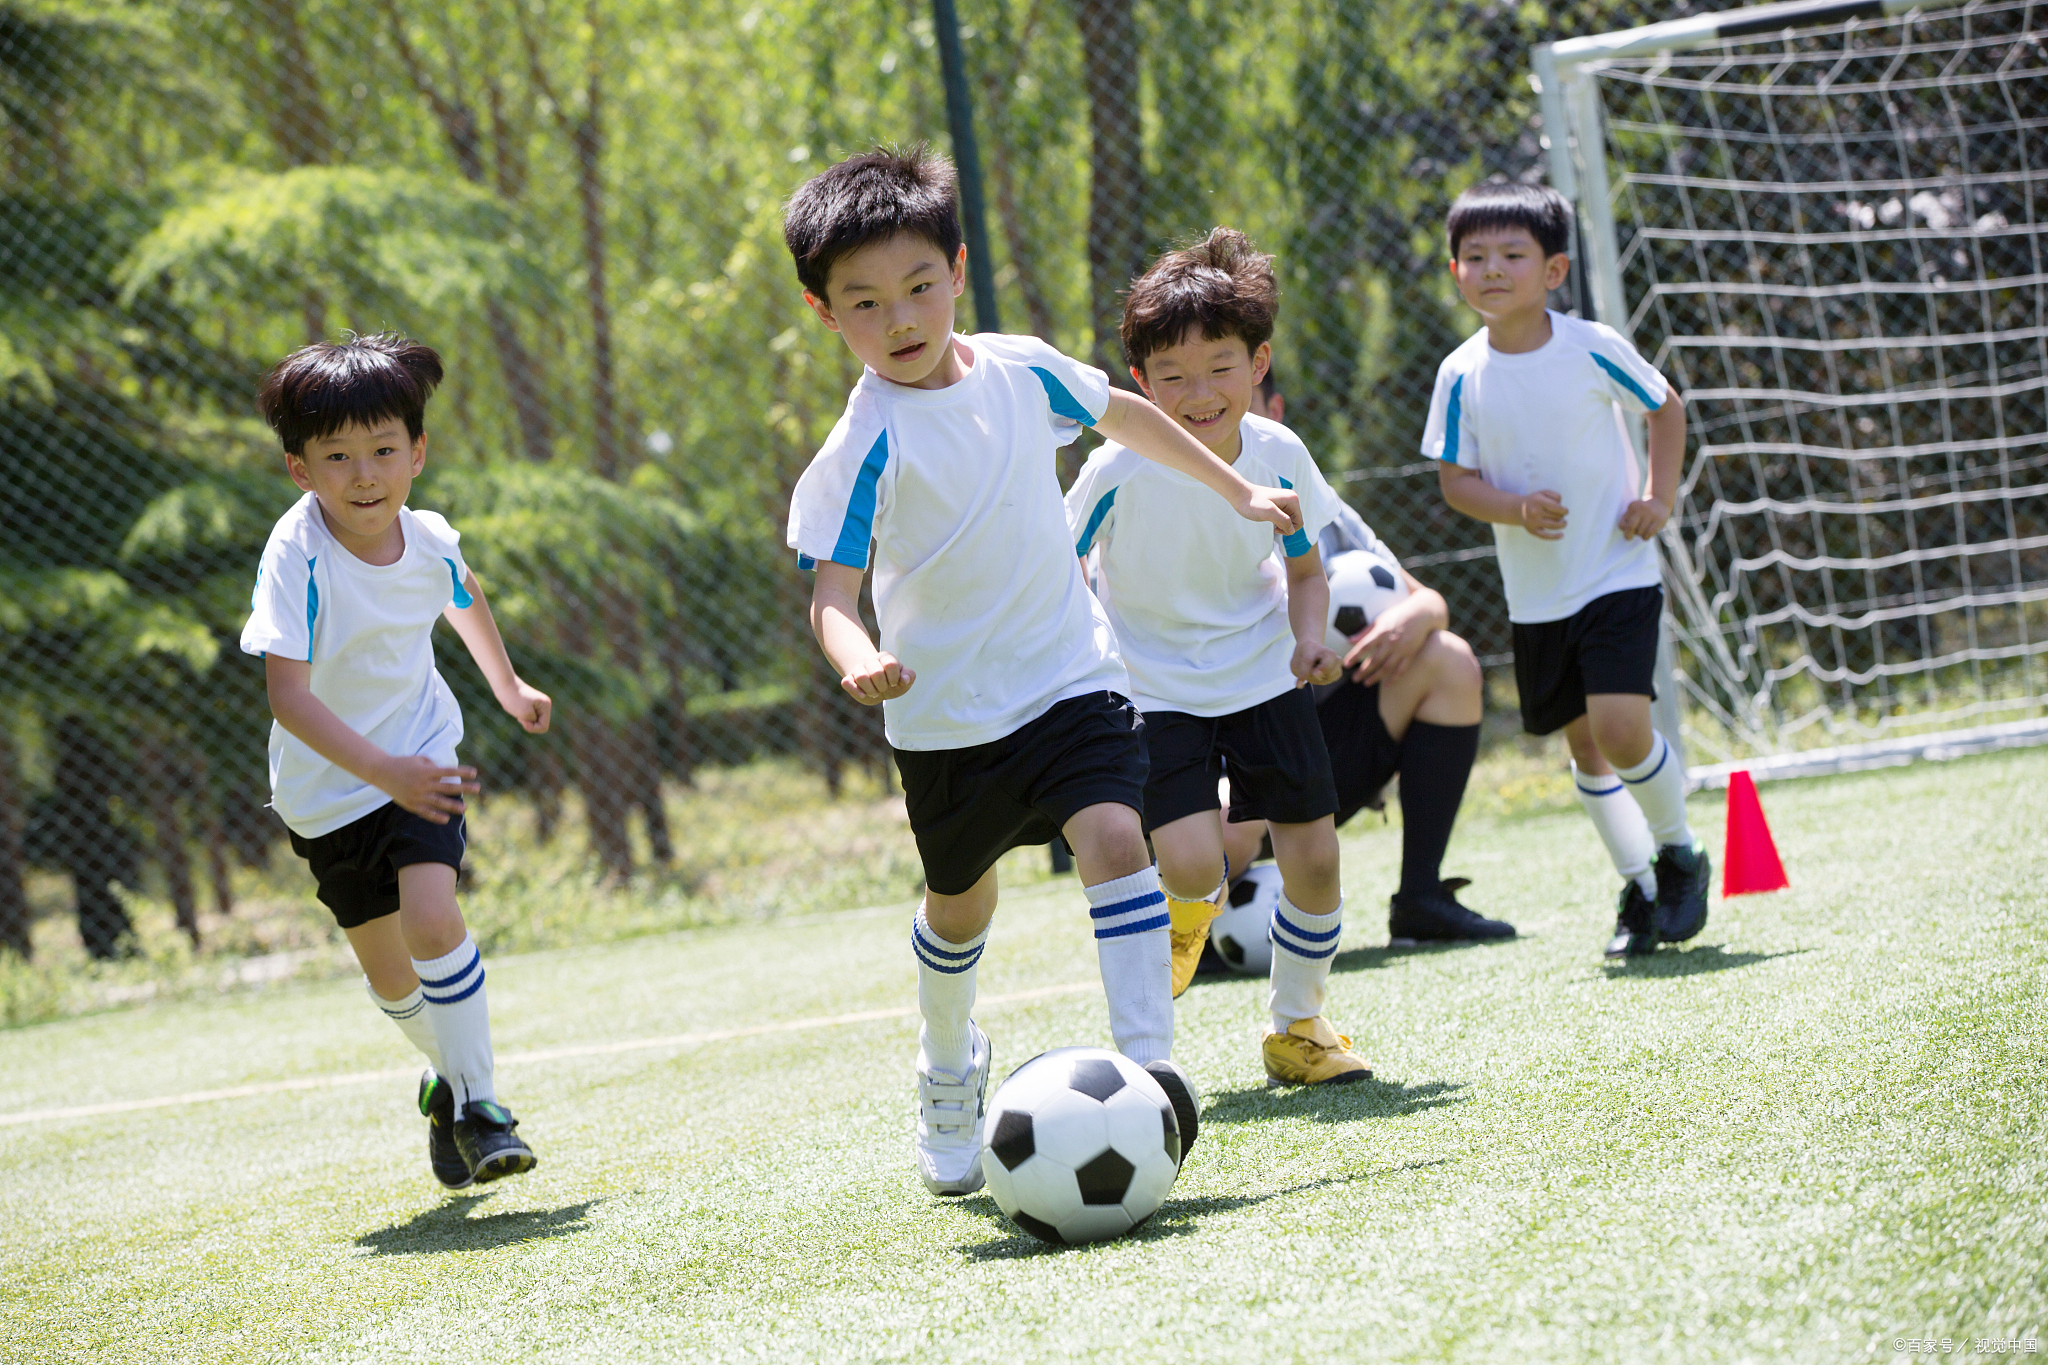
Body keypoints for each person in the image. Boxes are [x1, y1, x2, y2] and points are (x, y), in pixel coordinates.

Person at [781, 148, 1303, 1194]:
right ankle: (945, 1065)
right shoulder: (860, 442)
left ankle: (1151, 1070)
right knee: (957, 910)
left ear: (957, 271)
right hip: (946, 720)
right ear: (825, 313)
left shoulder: (1018, 369)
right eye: (867, 303)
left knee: (1116, 837)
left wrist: (1234, 487)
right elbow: (831, 599)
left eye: (919, 288)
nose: (901, 318)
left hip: (1071, 678)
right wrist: (860, 659)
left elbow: (1121, 411)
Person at [239, 333, 553, 1188]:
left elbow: (464, 594)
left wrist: (508, 682)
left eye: (384, 450)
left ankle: (484, 1107)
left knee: (432, 919)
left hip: (422, 758)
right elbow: (288, 699)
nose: (365, 474)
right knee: (390, 980)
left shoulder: (429, 538)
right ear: (302, 469)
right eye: (337, 456)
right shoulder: (294, 553)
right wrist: (380, 774)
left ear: (417, 451)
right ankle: (446, 1081)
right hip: (324, 793)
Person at [1065, 227, 1372, 1087]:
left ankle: (1299, 1026)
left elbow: (1307, 570)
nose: (1199, 394)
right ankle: (1178, 927)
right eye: (1172, 377)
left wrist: (1311, 640)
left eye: (1221, 368)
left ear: (1260, 362)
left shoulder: (1282, 455)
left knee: (1314, 857)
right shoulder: (1115, 469)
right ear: (1139, 384)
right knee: (1196, 864)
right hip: (1154, 689)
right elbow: (1059, 567)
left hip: (1265, 674)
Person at [1426, 181, 1710, 959]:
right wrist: (1514, 507)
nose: (1491, 269)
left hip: (1617, 570)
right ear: (1455, 273)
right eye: (1474, 257)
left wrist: (1658, 496)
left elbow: (1666, 406)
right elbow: (1456, 481)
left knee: (1623, 730)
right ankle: (1641, 887)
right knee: (1585, 749)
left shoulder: (1591, 345)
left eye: (1511, 255)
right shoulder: (1459, 374)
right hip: (1538, 596)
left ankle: (1680, 851)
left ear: (1552, 272)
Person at [1219, 372, 1514, 946]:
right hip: (1222, 755)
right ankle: (1185, 940)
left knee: (1448, 661)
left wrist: (1414, 616)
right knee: (1229, 833)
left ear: (1273, 409)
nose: (1221, 419)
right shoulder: (1159, 507)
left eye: (1241, 407)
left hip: (1317, 742)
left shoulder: (1317, 501)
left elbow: (1426, 598)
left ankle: (1421, 899)